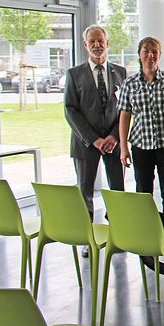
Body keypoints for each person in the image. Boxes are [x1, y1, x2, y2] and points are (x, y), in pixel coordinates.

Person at [64, 25, 127, 257]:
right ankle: (87, 239)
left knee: (118, 190)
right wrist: (94, 140)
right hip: (85, 144)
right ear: (85, 45)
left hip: (114, 142)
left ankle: (119, 236)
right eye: (92, 42)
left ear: (107, 43)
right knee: (85, 192)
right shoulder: (74, 74)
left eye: (100, 41)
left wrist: (112, 136)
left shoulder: (120, 72)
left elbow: (125, 109)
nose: (97, 45)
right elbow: (70, 111)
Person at [118, 37, 164, 220]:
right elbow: (125, 116)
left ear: (160, 55)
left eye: (154, 52)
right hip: (141, 145)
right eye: (146, 51)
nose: (150, 55)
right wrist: (124, 148)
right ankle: (147, 233)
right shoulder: (130, 83)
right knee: (143, 192)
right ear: (139, 55)